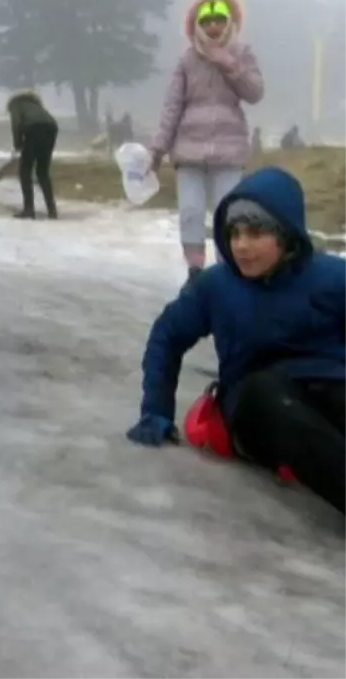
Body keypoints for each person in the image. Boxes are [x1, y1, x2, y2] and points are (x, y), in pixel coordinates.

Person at [127, 167, 346, 517]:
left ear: (286, 235)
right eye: (234, 233)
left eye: (256, 232)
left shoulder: (332, 279)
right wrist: (156, 408)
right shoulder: (216, 287)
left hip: (327, 384)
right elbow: (167, 336)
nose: (241, 245)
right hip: (254, 402)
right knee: (273, 398)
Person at [150, 0, 263, 287]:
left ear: (230, 22)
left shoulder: (242, 54)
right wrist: (159, 146)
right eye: (208, 20)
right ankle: (195, 270)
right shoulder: (186, 60)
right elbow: (172, 104)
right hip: (189, 151)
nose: (213, 26)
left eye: (219, 19)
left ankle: (228, 268)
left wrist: (230, 64)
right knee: (190, 211)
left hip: (229, 151)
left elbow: (255, 93)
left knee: (229, 213)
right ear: (197, 24)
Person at [7, 90, 59, 219]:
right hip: (51, 128)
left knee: (25, 170)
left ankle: (29, 209)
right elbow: (46, 121)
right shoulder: (36, 105)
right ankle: (52, 210)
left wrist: (18, 143)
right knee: (42, 171)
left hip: (34, 129)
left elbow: (16, 123)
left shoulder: (16, 104)